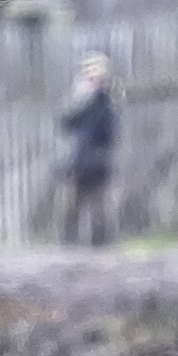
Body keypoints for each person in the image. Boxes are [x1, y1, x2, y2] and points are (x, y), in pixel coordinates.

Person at [61, 52, 116, 245]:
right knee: (72, 203)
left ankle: (99, 243)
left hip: (98, 159)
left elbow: (110, 132)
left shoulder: (106, 103)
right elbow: (66, 123)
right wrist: (78, 102)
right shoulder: (81, 101)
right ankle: (69, 243)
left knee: (99, 204)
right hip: (79, 159)